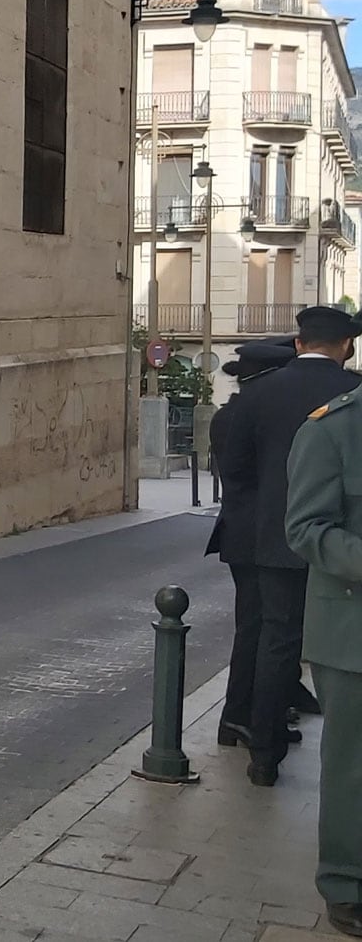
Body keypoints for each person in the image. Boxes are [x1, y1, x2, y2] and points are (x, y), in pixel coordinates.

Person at [222, 304, 362, 786]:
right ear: (347, 346)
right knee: (340, 647)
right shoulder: (354, 394)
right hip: (344, 543)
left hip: (276, 539)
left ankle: (264, 754)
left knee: (276, 639)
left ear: (300, 344)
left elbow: (234, 468)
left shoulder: (258, 393)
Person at [285, 373, 362, 938]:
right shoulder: (332, 429)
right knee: (353, 767)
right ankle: (345, 883)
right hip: (352, 630)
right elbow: (306, 528)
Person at [206, 336, 297, 749]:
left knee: (255, 627)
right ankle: (245, 717)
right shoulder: (248, 417)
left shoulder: (235, 413)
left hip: (242, 534)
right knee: (259, 630)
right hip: (255, 535)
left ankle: (244, 715)